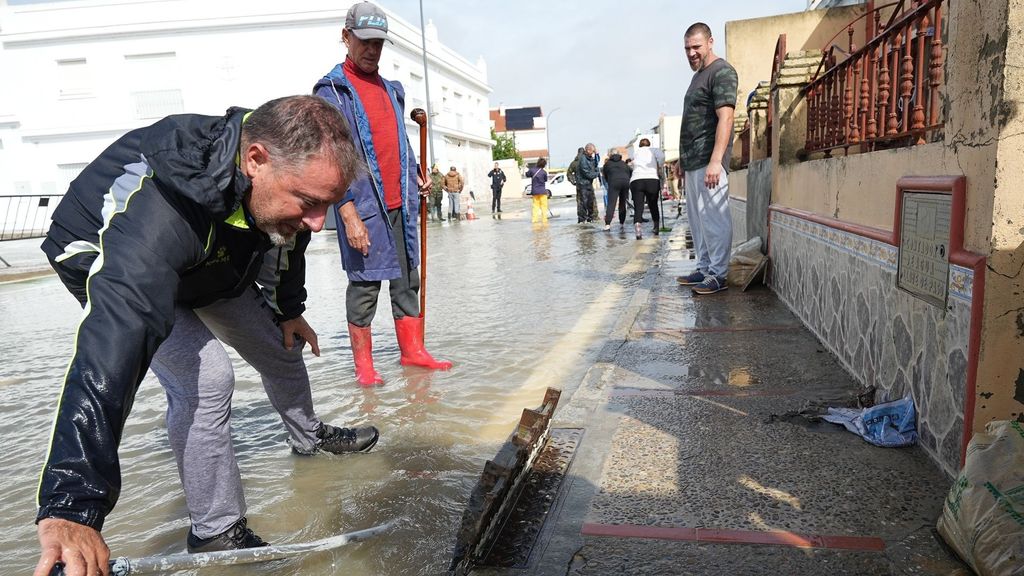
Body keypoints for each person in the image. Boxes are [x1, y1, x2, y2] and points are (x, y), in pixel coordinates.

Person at [33, 95, 381, 576]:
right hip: (111, 252)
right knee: (209, 378)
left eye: (328, 204)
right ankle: (216, 530)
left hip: (211, 257)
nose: (318, 223)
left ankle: (308, 437)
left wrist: (289, 310)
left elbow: (285, 243)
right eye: (309, 203)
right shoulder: (156, 213)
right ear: (256, 159)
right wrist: (72, 503)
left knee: (281, 346)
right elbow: (113, 346)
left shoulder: (283, 181)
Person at [313, 1, 451, 387]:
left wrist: (418, 174)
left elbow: (399, 142)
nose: (372, 50)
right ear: (346, 37)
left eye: (379, 43)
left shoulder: (392, 89)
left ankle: (413, 352)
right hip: (363, 206)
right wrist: (348, 212)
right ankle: (365, 368)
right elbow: (329, 160)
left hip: (401, 202)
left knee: (408, 278)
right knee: (364, 284)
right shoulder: (332, 92)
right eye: (365, 41)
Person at [675, 22, 737, 295]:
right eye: (687, 48)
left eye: (696, 47)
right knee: (698, 221)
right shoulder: (697, 76)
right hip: (693, 161)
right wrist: (682, 159)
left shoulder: (721, 72)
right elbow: (694, 121)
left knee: (714, 218)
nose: (691, 53)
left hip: (709, 161)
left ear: (710, 42)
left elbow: (726, 117)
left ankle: (718, 275)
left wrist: (716, 160)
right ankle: (704, 267)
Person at [630, 138, 666, 239]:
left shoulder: (636, 152)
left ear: (640, 145)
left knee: (638, 206)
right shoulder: (654, 150)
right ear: (649, 144)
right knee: (653, 204)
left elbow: (633, 163)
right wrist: (659, 165)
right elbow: (662, 156)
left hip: (636, 179)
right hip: (652, 179)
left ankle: (638, 229)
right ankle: (656, 227)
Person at [601, 151, 632, 231]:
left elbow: (605, 174)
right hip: (625, 182)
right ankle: (622, 223)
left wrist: (609, 181)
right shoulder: (623, 163)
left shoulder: (607, 164)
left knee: (611, 204)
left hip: (614, 182)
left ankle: (607, 224)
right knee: (622, 203)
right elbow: (630, 171)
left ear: (610, 156)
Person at [576, 143, 600, 223]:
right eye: (592, 151)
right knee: (583, 203)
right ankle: (582, 219)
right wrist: (596, 174)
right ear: (588, 150)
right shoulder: (583, 159)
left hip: (588, 184)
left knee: (590, 202)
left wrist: (597, 154)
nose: (593, 153)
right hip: (583, 184)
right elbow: (587, 173)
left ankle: (590, 218)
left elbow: (596, 163)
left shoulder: (590, 158)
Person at [526, 158, 549, 224]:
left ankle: (534, 220)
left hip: (535, 192)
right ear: (544, 165)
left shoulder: (532, 170)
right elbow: (545, 180)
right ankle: (544, 220)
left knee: (535, 207)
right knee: (544, 207)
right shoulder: (544, 172)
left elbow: (527, 174)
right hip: (542, 192)